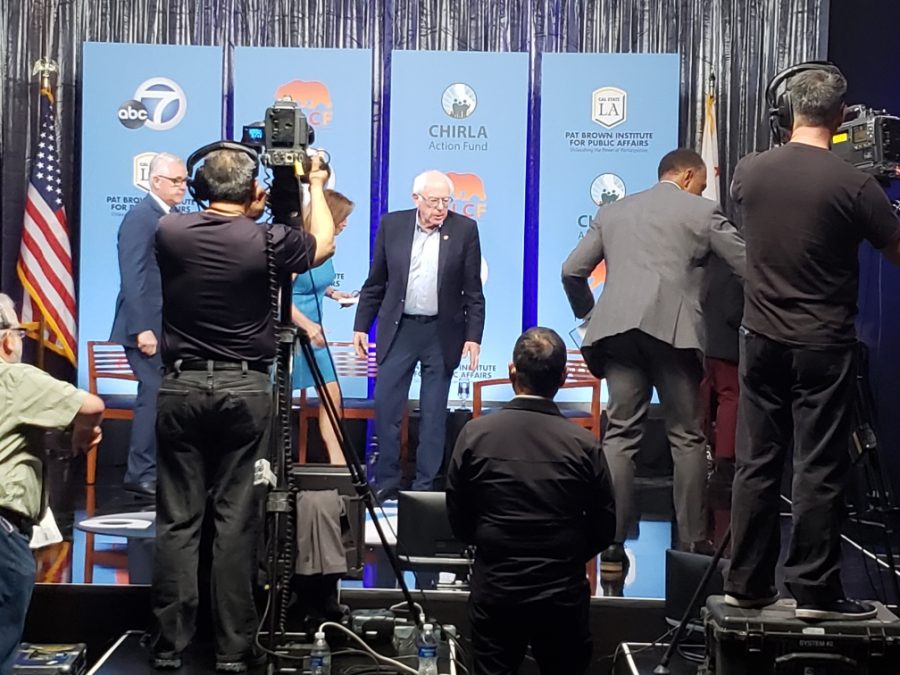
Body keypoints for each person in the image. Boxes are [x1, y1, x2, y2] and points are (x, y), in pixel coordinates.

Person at [724, 64, 900, 620]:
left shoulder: (749, 172)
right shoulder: (855, 185)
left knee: (756, 462)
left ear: (786, 114)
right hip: (823, 345)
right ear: (841, 116)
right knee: (818, 468)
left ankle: (747, 585)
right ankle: (815, 594)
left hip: (760, 341)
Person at [150, 145, 335, 671]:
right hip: (245, 391)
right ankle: (234, 649)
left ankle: (168, 645)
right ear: (254, 192)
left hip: (181, 388)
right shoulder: (268, 240)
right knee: (237, 522)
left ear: (197, 191)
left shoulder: (171, 232)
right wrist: (314, 183)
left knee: (177, 522)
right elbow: (320, 243)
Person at [561, 148, 745, 572]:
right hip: (675, 335)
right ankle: (695, 542)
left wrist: (590, 313)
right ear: (685, 176)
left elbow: (571, 270)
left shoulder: (614, 212)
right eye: (700, 182)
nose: (701, 190)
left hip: (617, 333)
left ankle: (611, 544)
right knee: (687, 437)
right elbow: (746, 264)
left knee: (620, 436)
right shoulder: (703, 212)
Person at [447, 327, 615, 675]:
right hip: (562, 595)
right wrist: (562, 554)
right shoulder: (583, 446)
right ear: (564, 377)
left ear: (512, 372)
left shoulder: (475, 436)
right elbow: (603, 528)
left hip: (496, 591)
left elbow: (458, 519)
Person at [353, 170, 485, 499]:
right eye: (434, 201)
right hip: (399, 329)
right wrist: (360, 325)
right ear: (417, 199)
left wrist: (474, 336)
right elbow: (376, 282)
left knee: (433, 414)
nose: (441, 208)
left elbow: (473, 290)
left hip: (442, 333)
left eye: (446, 201)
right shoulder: (392, 225)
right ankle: (386, 482)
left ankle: (425, 487)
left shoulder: (465, 230)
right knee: (386, 408)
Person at [0, 294, 104, 672]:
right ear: (7, 339)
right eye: (19, 333)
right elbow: (91, 405)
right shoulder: (12, 376)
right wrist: (83, 433)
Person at [109, 152, 187, 497]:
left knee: (168, 398)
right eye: (177, 181)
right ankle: (140, 471)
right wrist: (143, 328)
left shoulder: (171, 217)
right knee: (153, 395)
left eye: (184, 180)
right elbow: (133, 275)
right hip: (146, 327)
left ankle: (163, 469)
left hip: (167, 326)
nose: (183, 187)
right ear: (156, 182)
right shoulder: (141, 218)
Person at [292, 189, 356, 464]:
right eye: (342, 218)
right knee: (276, 400)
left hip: (314, 334)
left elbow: (313, 282)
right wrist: (306, 325)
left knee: (332, 395)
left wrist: (334, 294)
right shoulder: (296, 244)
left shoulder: (325, 245)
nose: (345, 225)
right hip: (290, 331)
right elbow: (279, 294)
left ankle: (338, 464)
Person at [700, 254, 743, 483]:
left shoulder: (708, 268)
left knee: (703, 402)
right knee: (730, 398)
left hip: (704, 345)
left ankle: (700, 453)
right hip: (726, 346)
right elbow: (733, 312)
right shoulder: (735, 269)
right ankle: (725, 459)